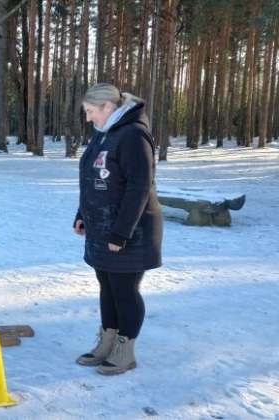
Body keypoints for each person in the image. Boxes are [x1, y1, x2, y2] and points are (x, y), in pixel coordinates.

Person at [74, 83, 163, 375]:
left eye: (90, 112)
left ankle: (125, 350)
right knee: (106, 287)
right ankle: (107, 341)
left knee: (124, 290)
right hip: (101, 227)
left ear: (108, 108)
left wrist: (121, 233)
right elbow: (92, 179)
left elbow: (139, 188)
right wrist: (82, 214)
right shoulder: (104, 134)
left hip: (130, 232)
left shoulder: (134, 135)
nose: (88, 118)